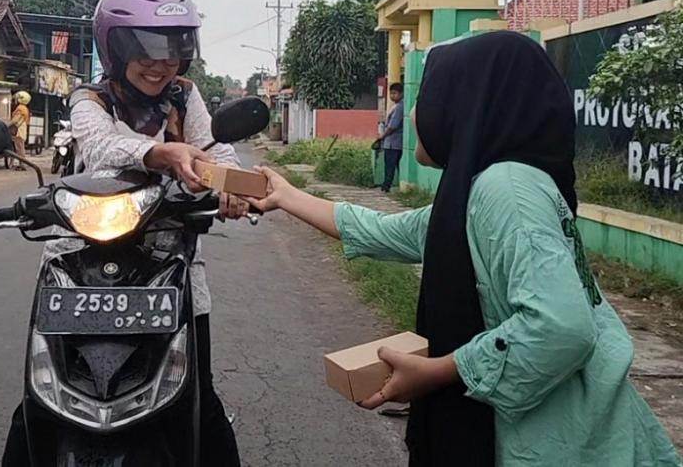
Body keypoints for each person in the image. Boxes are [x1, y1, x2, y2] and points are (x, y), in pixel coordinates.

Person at [244, 31, 680, 466]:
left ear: (467, 106)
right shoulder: (476, 193)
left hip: (559, 442)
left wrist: (437, 373)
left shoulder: (505, 188)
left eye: (428, 96)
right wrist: (285, 196)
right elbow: (382, 229)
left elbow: (562, 328)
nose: (414, 113)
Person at [1, 0, 246, 466]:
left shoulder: (184, 95)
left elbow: (215, 146)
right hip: (77, 263)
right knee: (39, 401)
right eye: (146, 54)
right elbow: (99, 147)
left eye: (171, 53)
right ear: (117, 51)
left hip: (167, 260)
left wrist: (232, 183)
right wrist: (162, 154)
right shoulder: (89, 99)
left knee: (201, 397)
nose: (160, 67)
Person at [377, 82, 404, 192]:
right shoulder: (395, 106)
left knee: (390, 165)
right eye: (391, 93)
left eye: (395, 93)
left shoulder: (399, 107)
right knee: (391, 165)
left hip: (394, 142)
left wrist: (382, 136)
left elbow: (393, 126)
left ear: (401, 93)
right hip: (391, 142)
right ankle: (388, 185)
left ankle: (386, 186)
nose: (393, 96)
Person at [9, 90, 31, 170]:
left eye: (17, 98)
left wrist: (7, 124)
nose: (15, 99)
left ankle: (22, 165)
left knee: (19, 149)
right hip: (22, 130)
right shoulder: (25, 108)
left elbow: (15, 120)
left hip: (19, 131)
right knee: (20, 148)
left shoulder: (20, 108)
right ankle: (21, 164)